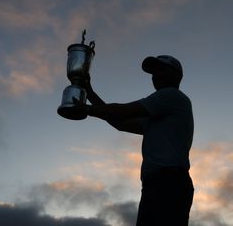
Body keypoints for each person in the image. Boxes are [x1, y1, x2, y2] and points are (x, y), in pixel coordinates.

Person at [74, 55, 194, 226]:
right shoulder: (158, 114)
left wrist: (87, 109)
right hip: (160, 183)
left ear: (176, 75)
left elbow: (120, 112)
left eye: (161, 70)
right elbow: (119, 122)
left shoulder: (171, 96)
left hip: (168, 182)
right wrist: (90, 94)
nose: (156, 75)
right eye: (154, 72)